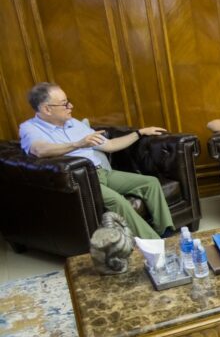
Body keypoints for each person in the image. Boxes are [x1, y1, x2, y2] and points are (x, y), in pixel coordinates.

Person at [19, 82, 173, 240]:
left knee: (150, 183)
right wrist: (78, 144)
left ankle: (166, 232)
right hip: (82, 181)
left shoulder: (74, 123)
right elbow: (39, 150)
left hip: (101, 172)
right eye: (64, 103)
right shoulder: (30, 128)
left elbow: (110, 145)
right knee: (118, 201)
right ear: (47, 109)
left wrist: (139, 133)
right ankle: (155, 244)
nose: (71, 106)